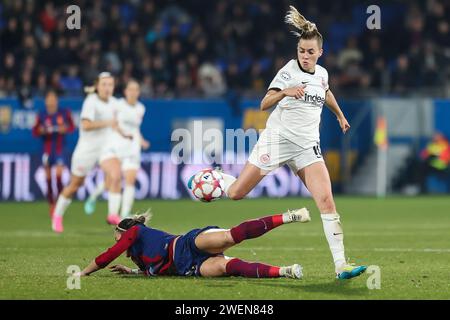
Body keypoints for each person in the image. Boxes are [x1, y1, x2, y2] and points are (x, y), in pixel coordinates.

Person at [188, 6, 366, 280]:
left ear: (320, 52)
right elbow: (264, 103)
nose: (305, 56)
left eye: (310, 52)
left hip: (307, 146)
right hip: (277, 140)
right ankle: (218, 179)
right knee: (237, 193)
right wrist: (285, 92)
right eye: (301, 51)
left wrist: (340, 115)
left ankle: (341, 265)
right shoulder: (288, 71)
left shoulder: (322, 74)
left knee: (327, 202)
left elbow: (326, 93)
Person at [75, 208, 311, 278]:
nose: (115, 239)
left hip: (187, 244)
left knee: (231, 236)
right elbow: (156, 267)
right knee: (229, 267)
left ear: (123, 231)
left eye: (115, 234)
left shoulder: (135, 231)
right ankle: (284, 271)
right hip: (187, 268)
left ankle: (290, 216)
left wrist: (83, 273)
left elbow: (109, 254)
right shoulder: (137, 255)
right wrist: (134, 271)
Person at [51, 72, 123, 233]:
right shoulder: (91, 102)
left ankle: (112, 214)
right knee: (75, 184)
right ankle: (57, 215)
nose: (107, 88)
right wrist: (108, 122)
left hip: (106, 148)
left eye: (110, 84)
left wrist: (125, 134)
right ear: (97, 86)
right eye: (104, 84)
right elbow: (85, 125)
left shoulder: (115, 103)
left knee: (116, 174)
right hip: (87, 150)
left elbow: (116, 124)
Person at [84, 79, 150, 218]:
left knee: (130, 179)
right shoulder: (117, 105)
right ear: (125, 91)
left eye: (136, 89)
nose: (133, 92)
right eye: (130, 89)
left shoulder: (141, 108)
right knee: (112, 180)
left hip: (133, 147)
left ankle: (124, 213)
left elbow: (135, 128)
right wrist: (122, 133)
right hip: (117, 146)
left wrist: (141, 140)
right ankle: (93, 197)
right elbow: (112, 123)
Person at [32, 90, 75, 216]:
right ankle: (52, 204)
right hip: (47, 150)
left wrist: (65, 128)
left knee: (59, 176)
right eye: (48, 99)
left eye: (53, 98)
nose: (51, 101)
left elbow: (72, 127)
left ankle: (60, 203)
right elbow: (34, 131)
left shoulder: (64, 113)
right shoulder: (41, 115)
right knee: (48, 179)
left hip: (59, 149)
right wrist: (40, 130)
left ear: (56, 100)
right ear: (46, 101)